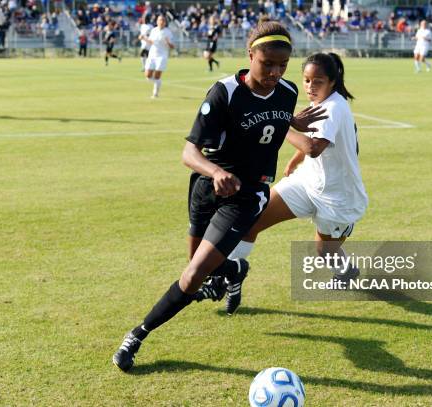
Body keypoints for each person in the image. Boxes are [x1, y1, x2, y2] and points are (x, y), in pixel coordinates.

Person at [112, 21, 327, 372]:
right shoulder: (224, 92)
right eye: (267, 63)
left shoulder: (287, 92)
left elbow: (273, 121)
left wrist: (294, 125)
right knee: (198, 262)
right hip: (206, 187)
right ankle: (235, 269)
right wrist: (215, 172)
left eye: (282, 65)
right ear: (250, 55)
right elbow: (188, 152)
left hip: (247, 194)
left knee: (194, 274)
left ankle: (137, 335)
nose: (275, 72)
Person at [197, 53, 368, 314]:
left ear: (333, 82)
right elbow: (314, 140)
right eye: (307, 80)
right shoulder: (322, 102)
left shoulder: (335, 107)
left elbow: (314, 147)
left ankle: (346, 269)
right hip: (307, 182)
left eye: (318, 81)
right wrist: (294, 161)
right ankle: (227, 277)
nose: (310, 87)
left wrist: (277, 122)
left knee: (324, 253)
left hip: (338, 196)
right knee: (252, 220)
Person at [141, 14, 175, 98]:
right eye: (160, 20)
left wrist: (168, 42)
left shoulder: (168, 32)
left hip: (162, 56)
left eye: (163, 20)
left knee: (157, 76)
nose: (161, 22)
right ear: (157, 21)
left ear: (165, 22)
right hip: (152, 55)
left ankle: (155, 93)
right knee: (148, 76)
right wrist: (143, 38)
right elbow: (152, 42)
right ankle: (158, 82)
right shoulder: (154, 30)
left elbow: (172, 46)